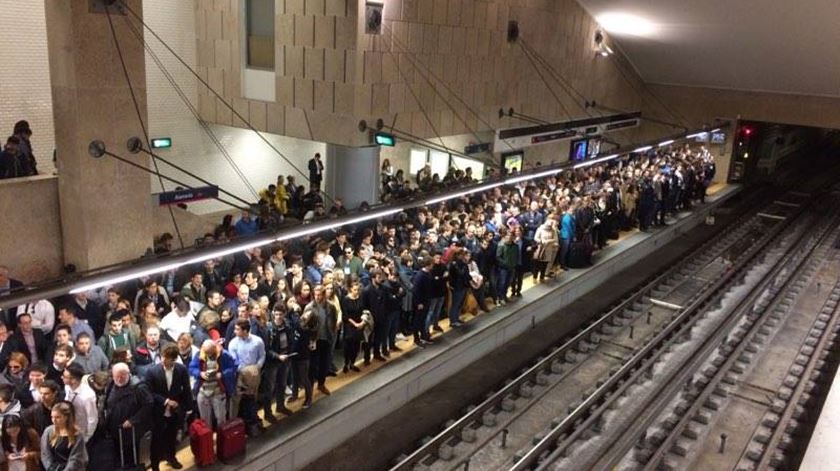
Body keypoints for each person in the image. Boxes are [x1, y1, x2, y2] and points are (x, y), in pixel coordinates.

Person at [145, 345, 191, 471]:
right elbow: (149, 392)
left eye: (167, 358)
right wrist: (165, 401)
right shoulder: (152, 372)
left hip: (175, 412)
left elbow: (186, 389)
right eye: (163, 357)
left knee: (172, 437)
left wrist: (186, 408)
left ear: (174, 359)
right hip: (158, 411)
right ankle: (155, 466)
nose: (164, 360)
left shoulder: (181, 370)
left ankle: (171, 458)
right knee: (156, 440)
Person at [103, 363, 153, 468]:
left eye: (123, 375)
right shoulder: (111, 384)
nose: (119, 379)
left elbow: (148, 405)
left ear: (129, 374)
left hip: (132, 431)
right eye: (117, 376)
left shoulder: (139, 387)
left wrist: (133, 420)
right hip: (115, 429)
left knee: (132, 457)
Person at [189, 340, 237, 430]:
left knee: (221, 419)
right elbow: (192, 368)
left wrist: (222, 374)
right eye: (206, 352)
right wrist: (200, 374)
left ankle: (222, 440)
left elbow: (233, 367)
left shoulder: (224, 355)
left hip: (218, 391)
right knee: (205, 420)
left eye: (210, 352)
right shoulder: (199, 354)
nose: (208, 354)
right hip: (203, 391)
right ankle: (208, 441)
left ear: (214, 348)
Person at [227, 319, 265, 436]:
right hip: (240, 375)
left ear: (245, 330)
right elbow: (233, 361)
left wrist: (257, 367)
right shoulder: (233, 343)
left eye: (237, 329)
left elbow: (262, 355)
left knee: (252, 399)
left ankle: (252, 425)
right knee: (238, 401)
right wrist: (244, 371)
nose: (234, 331)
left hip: (254, 374)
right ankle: (235, 427)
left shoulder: (257, 341)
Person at [303, 285, 336, 397]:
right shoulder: (309, 307)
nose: (317, 297)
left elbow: (333, 321)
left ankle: (321, 384)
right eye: (315, 295)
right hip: (314, 339)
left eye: (319, 295)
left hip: (326, 338)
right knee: (312, 366)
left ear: (323, 295)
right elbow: (304, 324)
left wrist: (332, 333)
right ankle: (310, 389)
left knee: (324, 364)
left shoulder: (330, 307)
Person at [40, 402, 88, 471]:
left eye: (57, 417)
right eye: (52, 417)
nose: (54, 420)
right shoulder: (48, 431)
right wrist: (50, 468)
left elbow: (76, 457)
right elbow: (45, 454)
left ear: (66, 417)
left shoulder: (76, 434)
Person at [60, 364, 97, 442]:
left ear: (74, 380)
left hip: (81, 432)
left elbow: (92, 418)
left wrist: (87, 437)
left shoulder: (87, 396)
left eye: (65, 377)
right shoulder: (67, 387)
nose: (62, 378)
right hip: (68, 427)